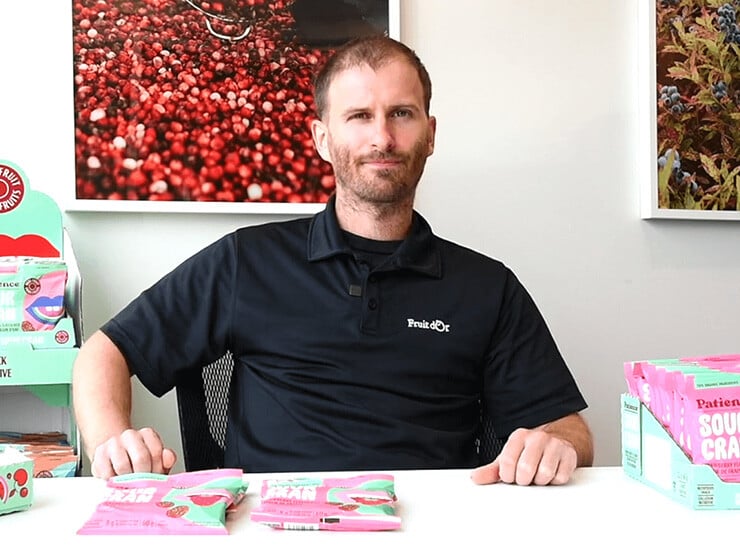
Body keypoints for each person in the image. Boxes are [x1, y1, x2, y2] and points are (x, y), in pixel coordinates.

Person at [72, 35, 594, 486]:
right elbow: (105, 352)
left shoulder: (487, 286)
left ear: (430, 134)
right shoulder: (246, 260)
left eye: (401, 114)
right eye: (359, 116)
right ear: (322, 138)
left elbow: (569, 430)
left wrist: (552, 445)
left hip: (435, 531)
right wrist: (111, 441)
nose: (382, 137)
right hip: (273, 529)